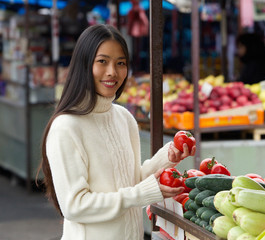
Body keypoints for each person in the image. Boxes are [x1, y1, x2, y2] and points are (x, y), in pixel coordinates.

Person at [37, 24, 196, 240]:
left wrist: (165, 159)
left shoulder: (124, 118)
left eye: (120, 63)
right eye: (102, 61)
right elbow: (75, 206)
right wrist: (141, 194)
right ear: (84, 65)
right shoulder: (66, 126)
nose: (112, 71)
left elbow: (130, 182)